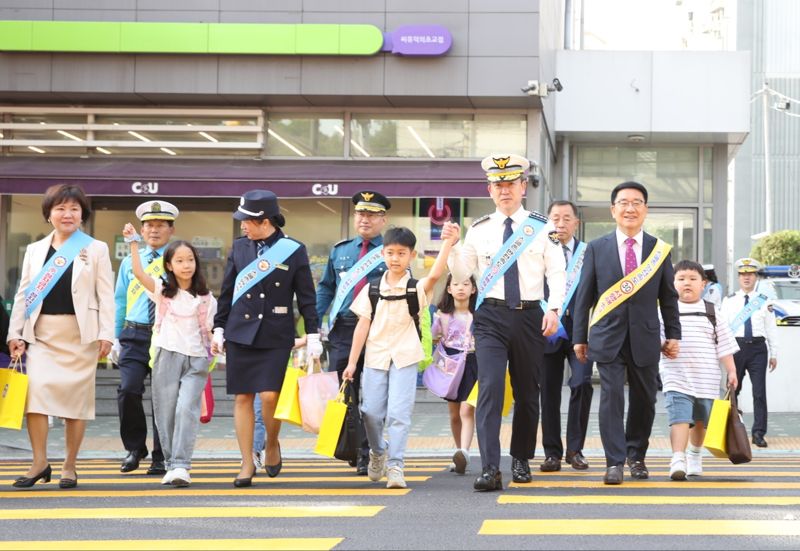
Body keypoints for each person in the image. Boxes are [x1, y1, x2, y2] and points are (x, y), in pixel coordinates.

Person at [442, 154, 566, 492]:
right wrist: (451, 246)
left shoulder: (541, 228)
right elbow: (462, 273)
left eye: (510, 183)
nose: (504, 190)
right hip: (491, 317)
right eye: (498, 185)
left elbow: (557, 272)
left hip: (530, 315)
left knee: (527, 393)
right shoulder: (479, 229)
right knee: (490, 390)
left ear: (523, 186)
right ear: (490, 190)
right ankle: (491, 468)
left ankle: (522, 459)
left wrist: (554, 309)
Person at [573, 181, 681, 485]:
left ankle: (637, 456)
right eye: (623, 202)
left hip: (646, 337)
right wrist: (579, 337)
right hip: (607, 337)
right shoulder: (596, 248)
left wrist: (674, 333)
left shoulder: (659, 250)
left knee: (645, 399)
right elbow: (585, 296)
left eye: (637, 202)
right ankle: (614, 462)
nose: (630, 208)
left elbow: (668, 296)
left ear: (645, 209)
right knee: (611, 397)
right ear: (613, 210)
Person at [7, 184, 114, 489]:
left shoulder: (96, 248)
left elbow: (106, 296)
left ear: (82, 215)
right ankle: (39, 462)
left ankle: (70, 465)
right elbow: (24, 293)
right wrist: (16, 333)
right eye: (60, 208)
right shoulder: (35, 249)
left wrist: (107, 334)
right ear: (49, 214)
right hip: (42, 335)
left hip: (81, 337)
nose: (67, 214)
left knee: (75, 404)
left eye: (74, 209)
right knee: (35, 399)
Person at [211, 190, 320, 487]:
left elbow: (306, 296)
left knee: (270, 397)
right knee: (243, 397)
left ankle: (272, 442)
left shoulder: (292, 249)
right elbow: (228, 291)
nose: (242, 226)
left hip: (275, 332)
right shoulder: (239, 248)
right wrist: (218, 327)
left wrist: (313, 333)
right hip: (240, 332)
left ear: (264, 220)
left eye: (246, 220)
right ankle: (247, 461)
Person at [343, 226, 455, 489]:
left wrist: (448, 242)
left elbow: (437, 273)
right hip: (375, 357)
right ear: (383, 254)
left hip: (405, 357)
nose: (395, 258)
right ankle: (377, 451)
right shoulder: (371, 289)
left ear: (411, 255)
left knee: (398, 413)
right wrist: (351, 362)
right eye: (390, 253)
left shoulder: (416, 288)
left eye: (401, 253)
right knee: (370, 412)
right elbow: (362, 325)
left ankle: (396, 466)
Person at [122, 223, 217, 488]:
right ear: (169, 265)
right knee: (165, 413)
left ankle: (181, 466)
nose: (186, 265)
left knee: (186, 409)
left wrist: (217, 341)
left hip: (196, 359)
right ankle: (171, 463)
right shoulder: (162, 291)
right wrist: (133, 243)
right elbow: (139, 274)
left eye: (190, 260)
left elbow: (209, 331)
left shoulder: (207, 298)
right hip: (166, 357)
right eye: (180, 261)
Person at [316, 190, 390, 475]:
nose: (365, 219)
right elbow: (326, 287)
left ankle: (368, 450)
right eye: (360, 213)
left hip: (377, 332)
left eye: (371, 214)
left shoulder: (390, 250)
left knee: (372, 396)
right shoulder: (341, 250)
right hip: (343, 330)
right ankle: (356, 447)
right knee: (345, 392)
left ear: (383, 219)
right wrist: (313, 320)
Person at [113, 200, 179, 475]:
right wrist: (116, 337)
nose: (154, 230)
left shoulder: (178, 259)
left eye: (160, 225)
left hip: (167, 334)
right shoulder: (130, 261)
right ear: (141, 229)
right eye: (149, 225)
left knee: (163, 398)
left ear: (171, 230)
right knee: (128, 390)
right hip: (134, 332)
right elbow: (119, 300)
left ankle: (161, 455)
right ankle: (134, 447)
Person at [661, 260, 738, 480]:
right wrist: (663, 346)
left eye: (693, 279)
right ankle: (678, 458)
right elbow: (655, 338)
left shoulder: (713, 312)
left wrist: (731, 371)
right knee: (679, 418)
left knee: (701, 421)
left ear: (703, 284)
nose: (687, 283)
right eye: (681, 278)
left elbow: (724, 345)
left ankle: (695, 454)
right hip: (676, 377)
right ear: (672, 283)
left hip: (707, 379)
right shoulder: (665, 311)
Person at [539, 200, 593, 473]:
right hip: (548, 326)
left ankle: (575, 449)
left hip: (580, 328)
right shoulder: (538, 249)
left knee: (582, 384)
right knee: (548, 390)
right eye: (555, 219)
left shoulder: (589, 253)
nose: (560, 224)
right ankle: (551, 452)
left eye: (566, 219)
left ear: (576, 223)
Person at [721, 257, 778, 448]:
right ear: (738, 277)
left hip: (758, 349)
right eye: (743, 274)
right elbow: (722, 328)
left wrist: (774, 353)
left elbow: (771, 329)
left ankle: (758, 433)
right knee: (733, 391)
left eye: (750, 274)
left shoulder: (764, 301)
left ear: (756, 277)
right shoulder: (729, 301)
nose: (747, 278)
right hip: (736, 348)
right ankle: (728, 430)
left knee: (759, 392)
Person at [431, 274, 478, 475]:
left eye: (466, 284)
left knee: (466, 410)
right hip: (450, 365)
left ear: (473, 289)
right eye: (456, 284)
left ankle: (464, 452)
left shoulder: (480, 314)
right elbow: (433, 338)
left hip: (474, 363)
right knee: (454, 413)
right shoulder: (441, 315)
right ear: (449, 289)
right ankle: (459, 455)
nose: (461, 288)